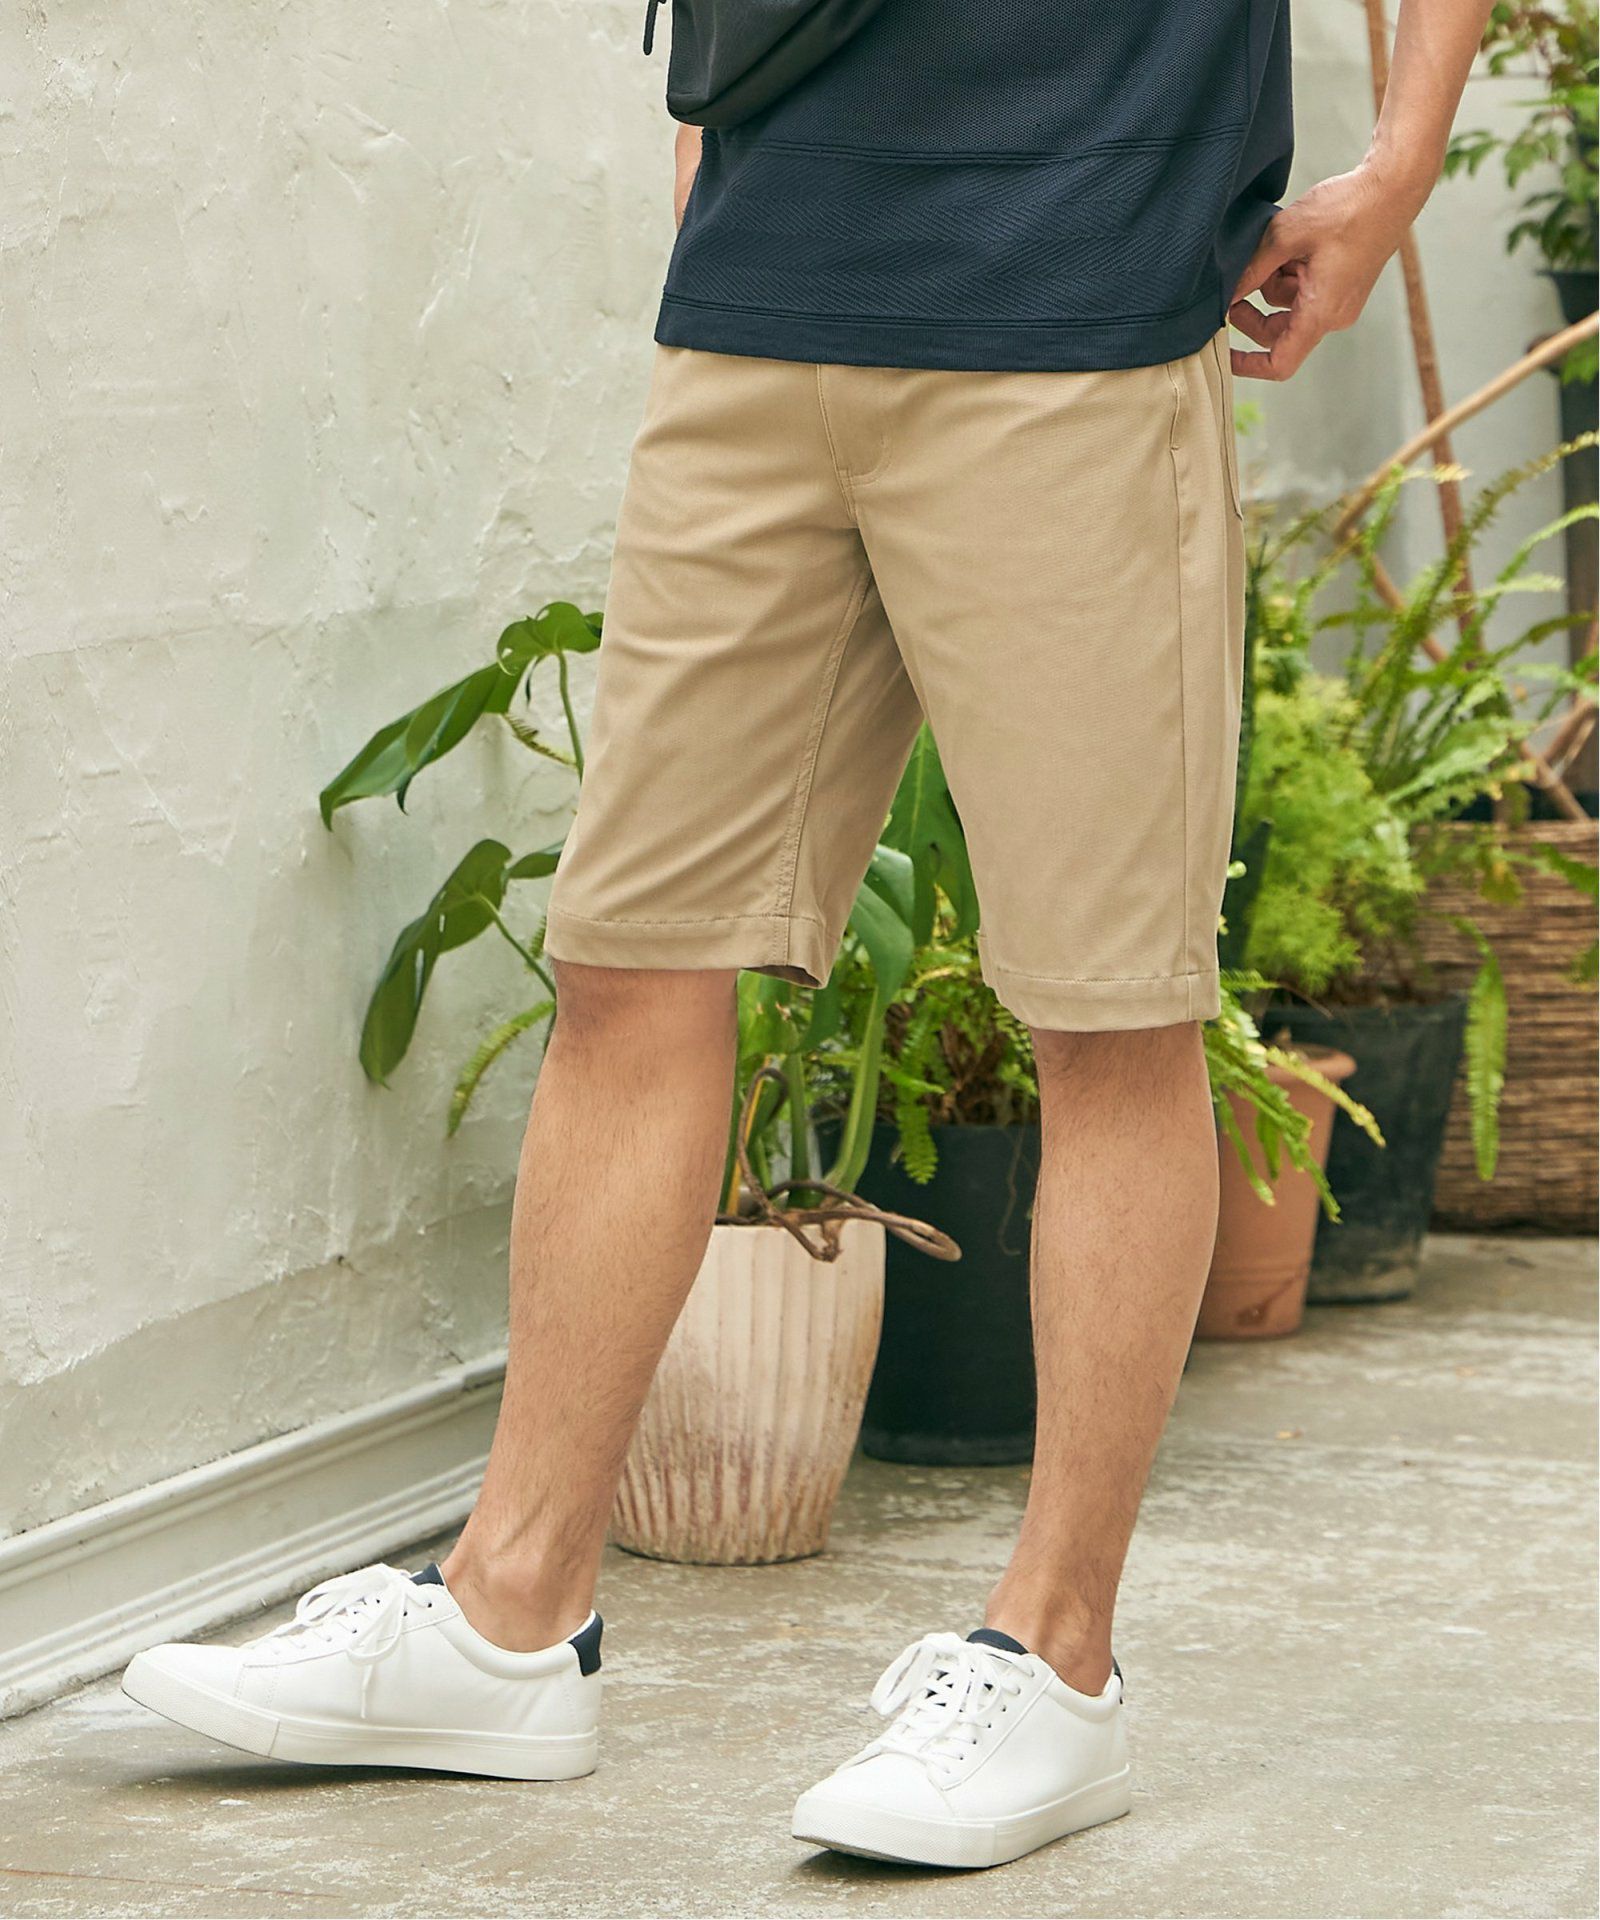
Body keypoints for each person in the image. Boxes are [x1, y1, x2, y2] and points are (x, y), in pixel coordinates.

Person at [124, 0, 1495, 1872]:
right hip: (766, 289)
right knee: (631, 959)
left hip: (1083, 298)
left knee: (1108, 1009)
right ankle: (509, 1618)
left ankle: (1057, 1659)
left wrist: (1399, 160)